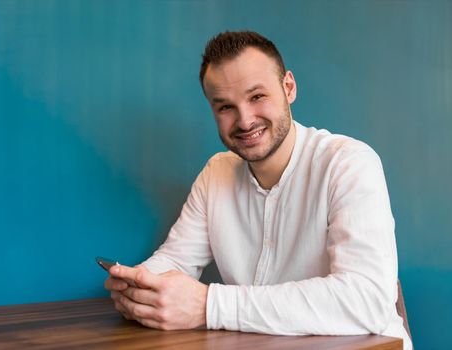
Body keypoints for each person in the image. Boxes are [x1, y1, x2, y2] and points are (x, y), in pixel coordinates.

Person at [104, 31, 412, 350]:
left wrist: (209, 305)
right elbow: (175, 260)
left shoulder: (348, 163)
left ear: (288, 88)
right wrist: (139, 286)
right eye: (225, 107)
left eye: (257, 97)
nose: (245, 120)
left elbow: (366, 300)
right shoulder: (216, 173)